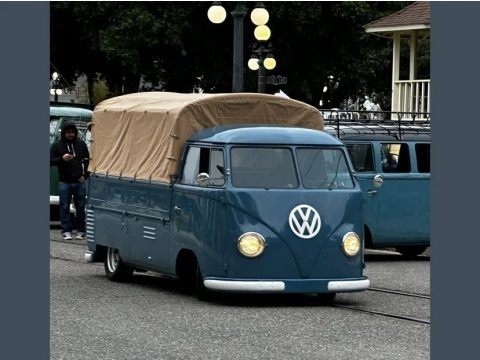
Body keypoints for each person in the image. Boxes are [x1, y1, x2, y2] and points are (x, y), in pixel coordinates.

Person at [50, 120, 90, 240]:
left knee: (81, 207)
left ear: (75, 132)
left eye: (72, 132)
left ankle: (81, 230)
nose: (70, 134)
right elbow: (50, 161)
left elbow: (87, 160)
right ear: (63, 133)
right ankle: (66, 231)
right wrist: (62, 158)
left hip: (79, 181)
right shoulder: (57, 145)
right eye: (67, 132)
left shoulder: (81, 144)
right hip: (64, 182)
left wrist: (85, 175)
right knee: (64, 207)